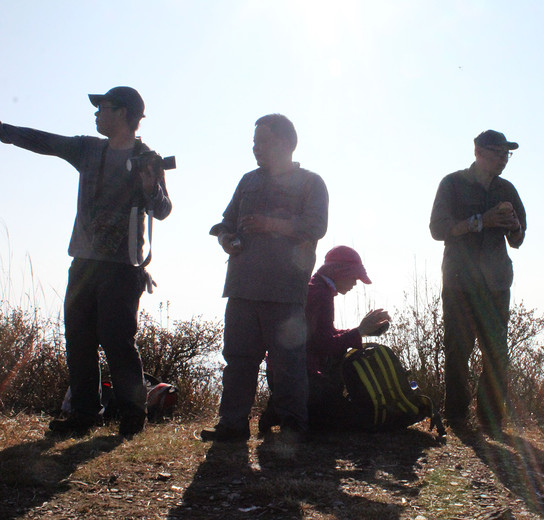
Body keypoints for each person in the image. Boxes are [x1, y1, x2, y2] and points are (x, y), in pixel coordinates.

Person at [0, 86, 172, 437]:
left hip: (123, 267)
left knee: (117, 339)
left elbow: (162, 210)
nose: (96, 114)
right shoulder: (88, 149)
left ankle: (132, 413)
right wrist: (5, 131)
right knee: (78, 337)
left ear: (123, 113)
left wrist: (150, 184)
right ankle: (83, 413)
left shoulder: (147, 158)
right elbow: (42, 140)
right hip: (83, 261)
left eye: (103, 108)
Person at [202, 114, 329, 442]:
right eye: (254, 142)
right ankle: (231, 425)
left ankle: (293, 427)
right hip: (242, 286)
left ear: (286, 144)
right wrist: (226, 240)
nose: (256, 148)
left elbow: (316, 227)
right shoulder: (248, 181)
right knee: (238, 360)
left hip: (285, 290)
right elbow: (226, 223)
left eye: (264, 141)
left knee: (288, 364)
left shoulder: (311, 183)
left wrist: (271, 224)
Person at [429, 129, 526, 435]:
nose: (504, 160)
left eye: (506, 154)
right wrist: (481, 221)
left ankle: (491, 421)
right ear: (479, 152)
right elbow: (437, 229)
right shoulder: (453, 184)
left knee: (496, 352)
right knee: (458, 349)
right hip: (460, 280)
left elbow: (519, 240)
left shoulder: (507, 190)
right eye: (498, 153)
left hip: (496, 281)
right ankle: (457, 418)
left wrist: (513, 226)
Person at [258, 245, 391, 434]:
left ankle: (281, 407)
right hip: (298, 377)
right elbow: (322, 344)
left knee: (340, 418)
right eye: (354, 277)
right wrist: (359, 332)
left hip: (285, 374)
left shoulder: (317, 287)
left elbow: (323, 335)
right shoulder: (319, 293)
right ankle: (283, 408)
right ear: (340, 271)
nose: (355, 283)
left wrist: (361, 331)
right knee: (352, 422)